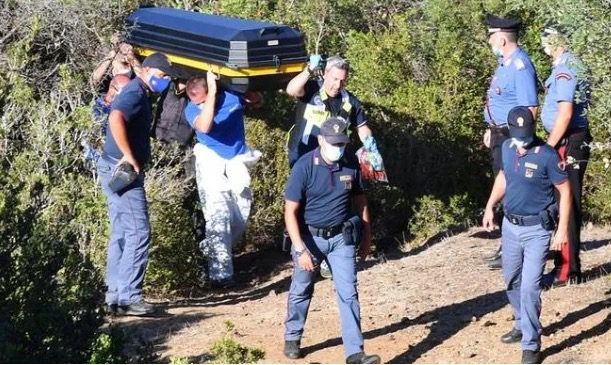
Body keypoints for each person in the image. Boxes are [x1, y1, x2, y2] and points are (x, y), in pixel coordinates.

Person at [283, 117, 380, 364]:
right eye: (333, 143)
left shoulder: (350, 163)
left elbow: (360, 202)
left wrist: (367, 237)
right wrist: (300, 249)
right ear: (321, 141)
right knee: (301, 289)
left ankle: (355, 352)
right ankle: (293, 336)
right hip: (309, 238)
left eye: (342, 143)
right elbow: (290, 211)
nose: (338, 147)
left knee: (348, 292)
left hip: (340, 238)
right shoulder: (304, 167)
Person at [483, 106, 571, 364]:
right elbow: (503, 177)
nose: (522, 141)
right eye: (518, 135)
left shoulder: (547, 155)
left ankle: (531, 344)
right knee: (512, 280)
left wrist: (562, 228)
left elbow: (564, 192)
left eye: (526, 135)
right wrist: (490, 205)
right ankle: (521, 323)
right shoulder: (509, 148)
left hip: (537, 230)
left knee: (530, 287)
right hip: (510, 227)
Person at [285, 55, 382, 279]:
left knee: (340, 201)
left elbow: (362, 127)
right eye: (335, 78)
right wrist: (309, 70)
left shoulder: (350, 101)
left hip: (335, 160)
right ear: (326, 73)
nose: (338, 85)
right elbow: (292, 90)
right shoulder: (311, 90)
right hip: (304, 158)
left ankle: (333, 255)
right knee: (301, 204)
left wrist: (370, 145)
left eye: (343, 81)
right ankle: (303, 250)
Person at [97, 53, 174, 316]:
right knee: (139, 232)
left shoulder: (138, 90)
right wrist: (129, 156)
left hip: (111, 166)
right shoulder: (136, 92)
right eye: (162, 76)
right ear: (148, 71)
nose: (164, 82)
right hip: (124, 171)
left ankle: (115, 297)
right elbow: (115, 117)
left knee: (121, 233)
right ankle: (130, 296)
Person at [184, 71, 263, 288]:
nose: (198, 104)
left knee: (240, 216)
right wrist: (207, 99)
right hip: (210, 159)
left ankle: (211, 247)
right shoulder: (192, 109)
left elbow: (256, 100)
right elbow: (205, 126)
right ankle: (221, 276)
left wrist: (248, 95)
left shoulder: (231, 96)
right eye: (196, 101)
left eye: (202, 98)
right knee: (218, 214)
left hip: (236, 157)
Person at [482, 14, 539, 270]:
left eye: (491, 36)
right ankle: (507, 245)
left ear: (502, 38)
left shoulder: (520, 65)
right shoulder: (504, 63)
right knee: (501, 185)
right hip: (498, 132)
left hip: (511, 135)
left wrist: (521, 142)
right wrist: (489, 126)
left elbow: (530, 108)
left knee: (510, 189)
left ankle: (512, 248)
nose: (489, 41)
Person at [540, 27, 592, 287]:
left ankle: (568, 270)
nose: (543, 45)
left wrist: (548, 148)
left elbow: (565, 113)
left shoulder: (567, 66)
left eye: (546, 39)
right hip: (566, 139)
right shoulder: (563, 64)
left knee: (567, 202)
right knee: (562, 201)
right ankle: (563, 264)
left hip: (569, 140)